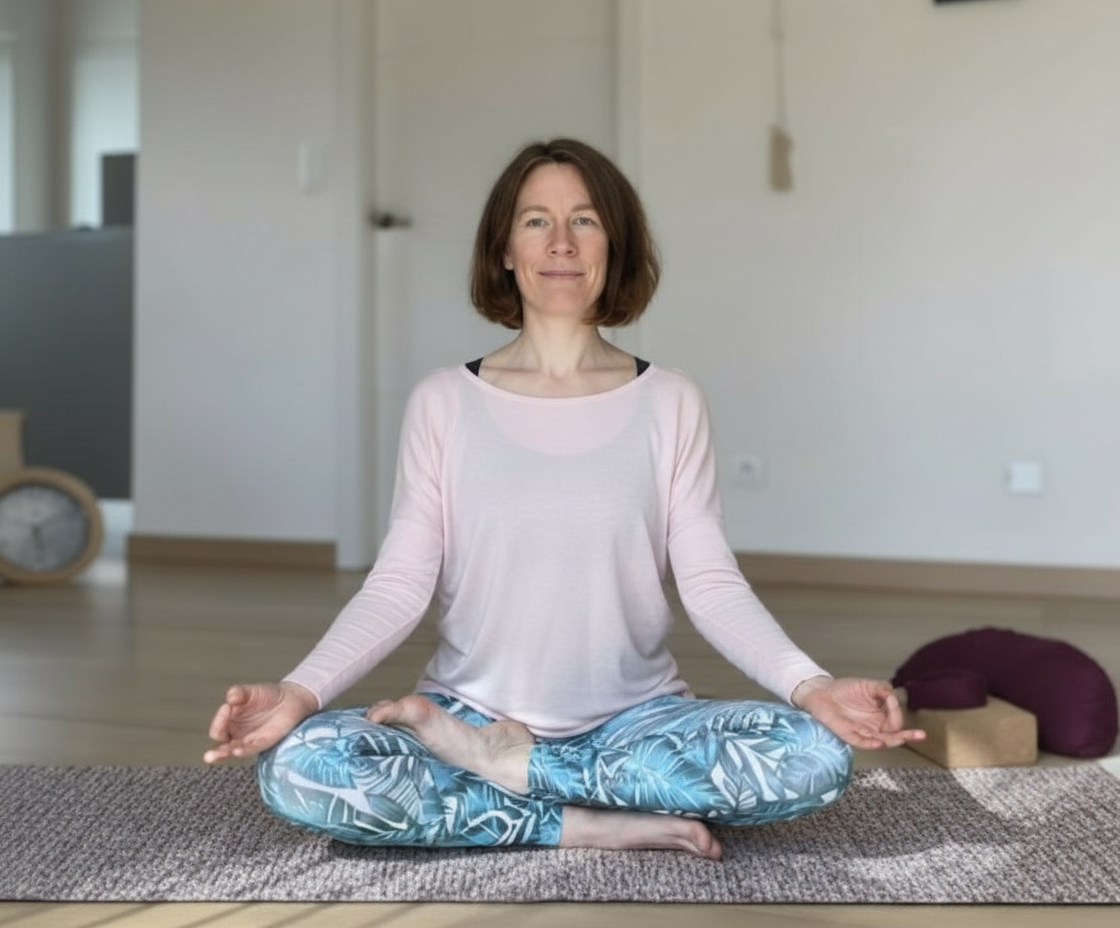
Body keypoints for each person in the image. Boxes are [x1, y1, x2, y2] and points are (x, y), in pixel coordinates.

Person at [204, 138, 924, 859]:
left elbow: (709, 582)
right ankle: (579, 821)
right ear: (505, 249)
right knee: (302, 765)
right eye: (535, 221)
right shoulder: (442, 403)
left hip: (635, 723)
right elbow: (398, 585)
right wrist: (300, 693)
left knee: (814, 757)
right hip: (467, 711)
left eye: (584, 220)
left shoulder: (670, 400)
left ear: (614, 245)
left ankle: (516, 776)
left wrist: (812, 686)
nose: (560, 243)